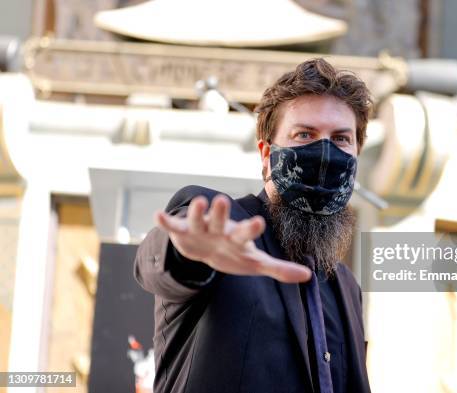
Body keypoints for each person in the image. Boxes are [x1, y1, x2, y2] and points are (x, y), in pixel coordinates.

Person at [134, 58, 372, 393]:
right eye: (304, 134)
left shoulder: (346, 286)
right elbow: (161, 259)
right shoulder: (226, 225)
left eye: (341, 139)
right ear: (266, 154)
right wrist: (187, 251)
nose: (324, 153)